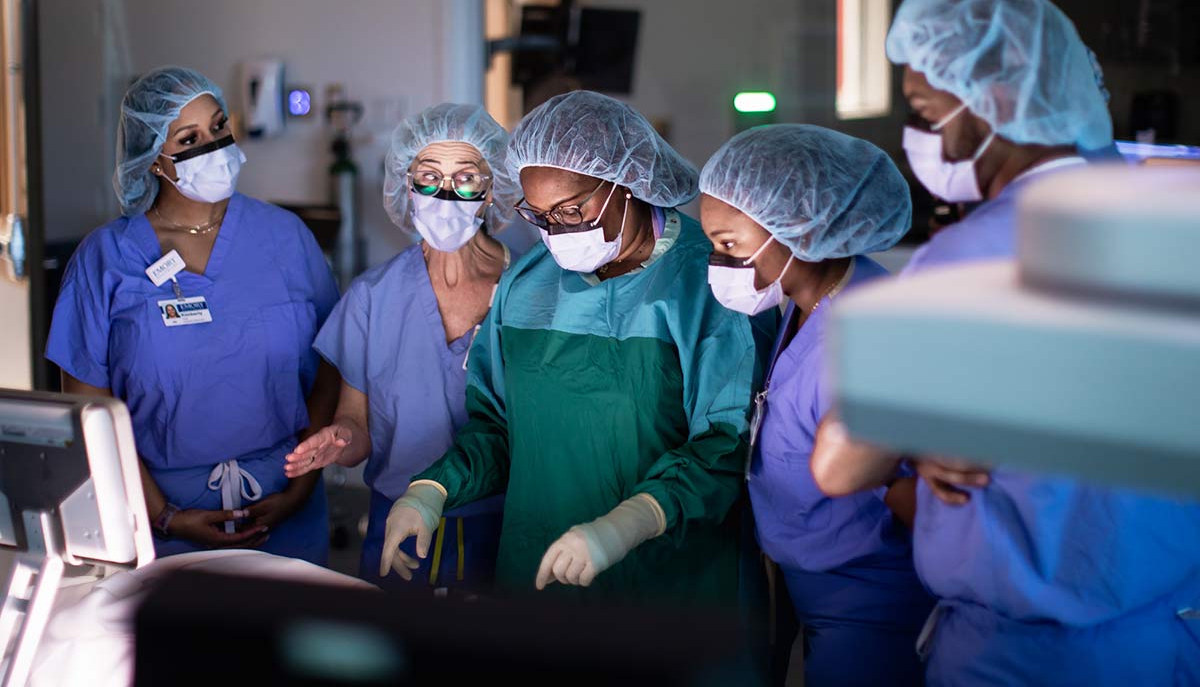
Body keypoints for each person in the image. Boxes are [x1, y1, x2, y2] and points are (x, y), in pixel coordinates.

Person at [810, 0, 1200, 685]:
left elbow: (839, 467)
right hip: (1162, 636)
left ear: (992, 101)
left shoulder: (967, 259)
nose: (921, 135)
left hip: (1023, 657)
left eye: (926, 111)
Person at [380, 91, 774, 605]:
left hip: (672, 586)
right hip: (541, 570)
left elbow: (726, 445)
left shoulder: (710, 283)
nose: (556, 232)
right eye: (539, 216)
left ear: (626, 184)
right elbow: (498, 427)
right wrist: (432, 490)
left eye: (570, 210)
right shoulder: (527, 285)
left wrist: (637, 518)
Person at [47, 66, 340, 565]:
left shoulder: (285, 237)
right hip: (157, 522)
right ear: (152, 160)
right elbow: (89, 408)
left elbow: (332, 367)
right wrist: (164, 515)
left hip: (285, 508)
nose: (214, 146)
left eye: (218, 126)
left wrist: (299, 488)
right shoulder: (106, 259)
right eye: (189, 139)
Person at [699, 124, 931, 686]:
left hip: (869, 598)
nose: (718, 262)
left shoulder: (868, 336)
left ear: (799, 227)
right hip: (809, 580)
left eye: (730, 244)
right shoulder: (807, 302)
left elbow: (919, 497)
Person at [284, 103, 522, 592]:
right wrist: (341, 439)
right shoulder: (373, 297)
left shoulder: (528, 291)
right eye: (429, 177)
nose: (445, 194)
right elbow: (357, 427)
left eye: (466, 178)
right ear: (406, 186)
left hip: (504, 527)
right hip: (399, 526)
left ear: (491, 190)